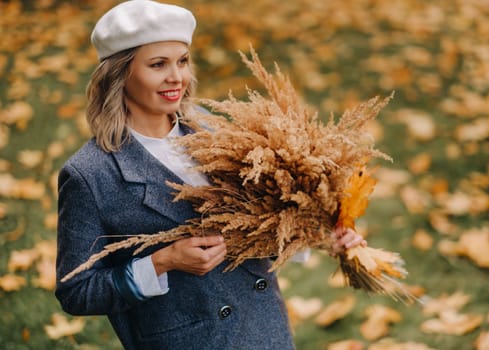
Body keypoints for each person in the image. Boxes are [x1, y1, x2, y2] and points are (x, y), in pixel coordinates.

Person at [55, 1, 367, 349]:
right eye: (158, 64)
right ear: (119, 74)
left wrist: (320, 236)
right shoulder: (90, 174)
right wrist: (163, 261)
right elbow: (76, 292)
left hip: (262, 328)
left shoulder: (211, 129)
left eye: (182, 61)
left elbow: (259, 223)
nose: (176, 77)